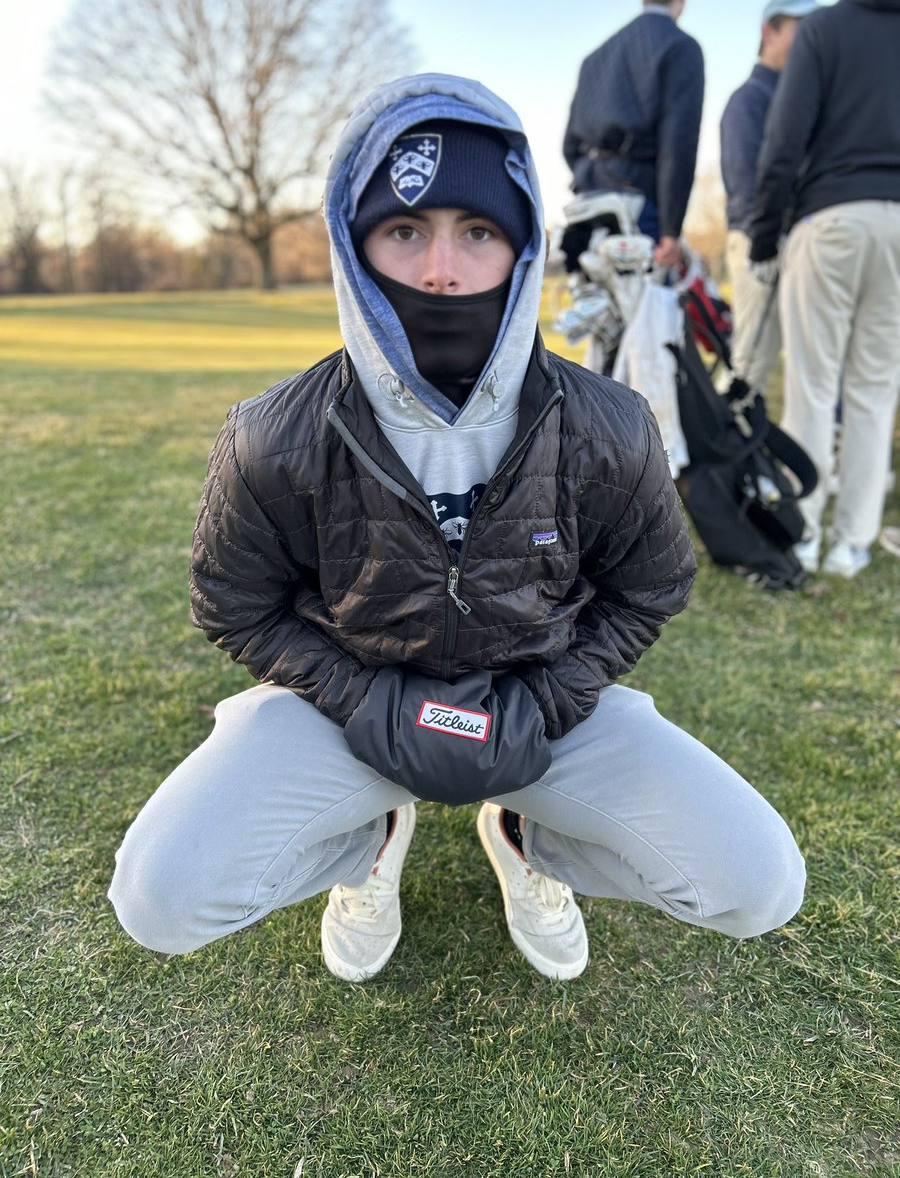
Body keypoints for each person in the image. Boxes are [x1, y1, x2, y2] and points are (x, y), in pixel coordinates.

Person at [109, 73, 805, 984]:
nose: (442, 270)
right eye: (405, 231)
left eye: (477, 231)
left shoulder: (613, 424)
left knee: (758, 885)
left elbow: (653, 588)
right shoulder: (270, 435)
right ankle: (367, 844)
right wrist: (360, 702)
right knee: (159, 898)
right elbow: (232, 603)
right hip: (346, 714)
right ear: (353, 244)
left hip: (542, 713)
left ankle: (525, 837)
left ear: (523, 247)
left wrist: (548, 703)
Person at [749, 0, 900, 579]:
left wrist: (764, 237)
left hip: (831, 217)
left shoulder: (823, 29)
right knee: (875, 388)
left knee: (813, 386)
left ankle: (805, 535)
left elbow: (783, 140)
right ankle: (852, 545)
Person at [562, 0, 704, 269]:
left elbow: (569, 147)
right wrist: (671, 230)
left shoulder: (595, 58)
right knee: (649, 297)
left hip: (587, 204)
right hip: (638, 203)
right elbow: (678, 144)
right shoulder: (680, 47)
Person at [719, 0, 818, 393]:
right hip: (757, 244)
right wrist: (766, 241)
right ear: (769, 32)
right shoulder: (749, 99)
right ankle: (725, 435)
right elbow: (743, 182)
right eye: (800, 28)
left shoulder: (794, 98)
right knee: (750, 363)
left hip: (789, 242)